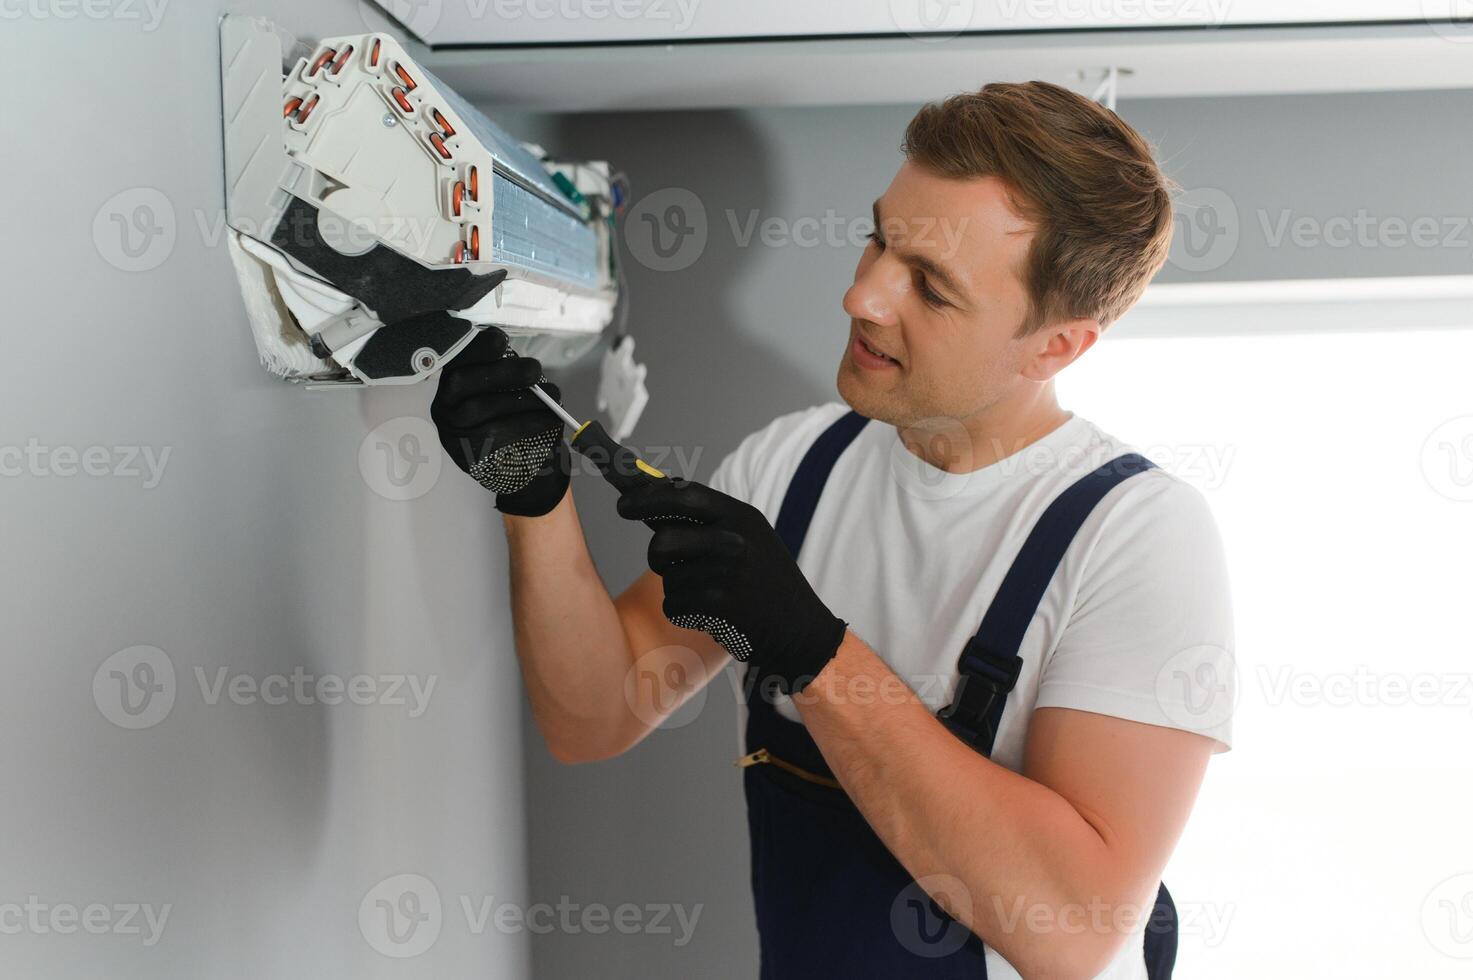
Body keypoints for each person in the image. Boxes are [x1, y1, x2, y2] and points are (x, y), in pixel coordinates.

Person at [432, 81, 1234, 979]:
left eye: (929, 287)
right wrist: (531, 501)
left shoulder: (1136, 538)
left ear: (1054, 346)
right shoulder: (793, 465)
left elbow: (1069, 932)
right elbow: (592, 715)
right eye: (879, 240)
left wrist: (812, 651)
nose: (863, 296)